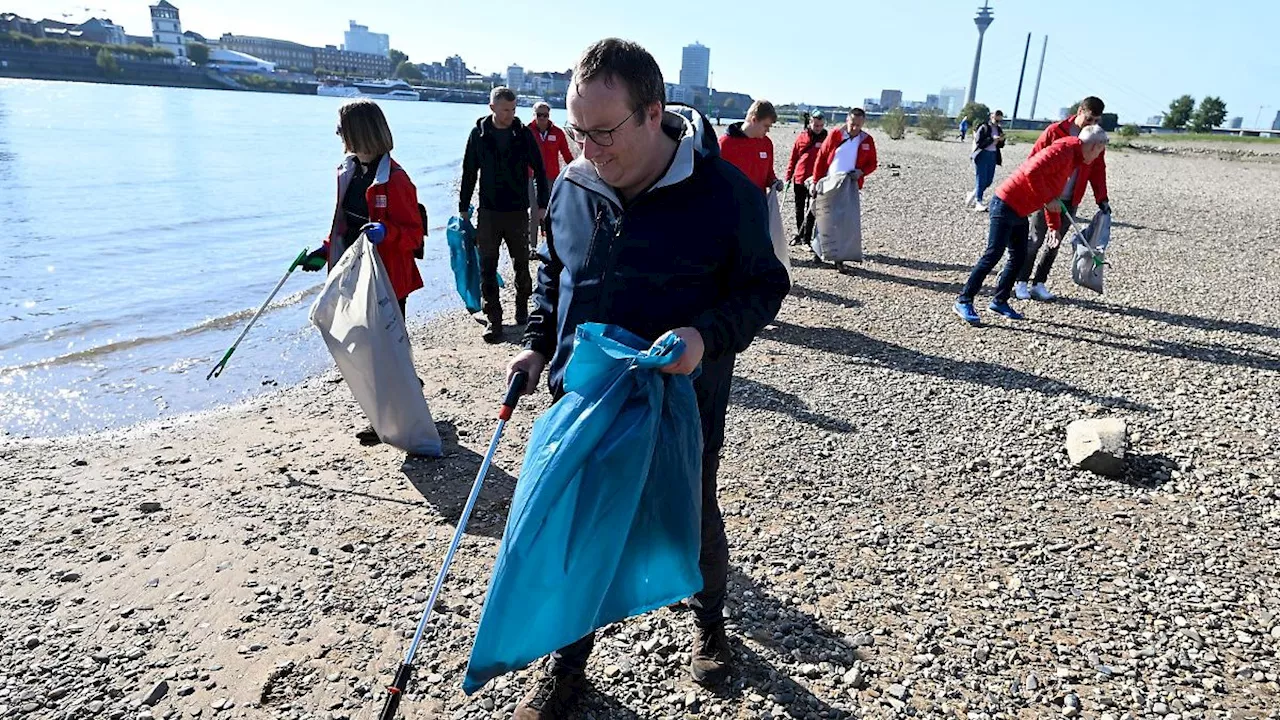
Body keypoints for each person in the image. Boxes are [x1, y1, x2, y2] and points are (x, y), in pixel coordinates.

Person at [505, 37, 790, 719]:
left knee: (691, 517)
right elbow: (554, 271)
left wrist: (704, 337)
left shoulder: (725, 196)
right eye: (578, 130)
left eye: (603, 132)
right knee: (579, 531)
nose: (589, 148)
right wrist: (539, 345)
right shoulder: (574, 185)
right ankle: (567, 663)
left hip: (681, 403)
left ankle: (711, 628)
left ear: (653, 112)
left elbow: (764, 286)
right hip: (585, 400)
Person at [304, 98, 425, 442]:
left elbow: (414, 233)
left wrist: (388, 234)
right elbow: (343, 220)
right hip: (356, 273)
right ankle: (392, 402)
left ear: (359, 131)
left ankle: (391, 414)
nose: (338, 134)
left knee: (386, 346)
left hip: (388, 277)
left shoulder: (397, 179)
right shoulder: (349, 170)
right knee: (366, 345)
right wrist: (326, 249)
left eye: (342, 128)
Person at [953, 125, 1109, 325]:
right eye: (1099, 152)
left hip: (1020, 210)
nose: (1097, 158)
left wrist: (1054, 227)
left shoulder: (1074, 158)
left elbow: (1055, 196)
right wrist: (1047, 199)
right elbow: (1031, 171)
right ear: (1095, 147)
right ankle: (964, 300)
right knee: (993, 254)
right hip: (1005, 203)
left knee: (1018, 257)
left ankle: (999, 301)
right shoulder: (1064, 150)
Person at [459, 87, 550, 343]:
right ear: (492, 108)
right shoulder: (479, 135)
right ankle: (494, 320)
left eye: (513, 109)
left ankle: (522, 309)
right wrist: (463, 207)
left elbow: (540, 170)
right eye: (505, 110)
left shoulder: (522, 134)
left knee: (521, 264)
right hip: (488, 211)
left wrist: (541, 204)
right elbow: (468, 171)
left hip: (517, 211)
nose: (510, 114)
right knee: (487, 266)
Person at [1015, 96, 1111, 301]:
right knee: (1035, 239)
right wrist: (1037, 193)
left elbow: (1097, 169)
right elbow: (1033, 162)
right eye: (1089, 119)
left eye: (1096, 121)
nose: (1091, 124)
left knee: (1054, 242)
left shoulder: (1095, 137)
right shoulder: (1055, 131)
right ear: (1079, 111)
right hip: (1048, 195)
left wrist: (1101, 198)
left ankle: (1039, 283)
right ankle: (1020, 281)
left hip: (1071, 198)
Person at [528, 101, 575, 249]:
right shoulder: (527, 131)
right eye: (539, 115)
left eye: (545, 115)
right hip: (531, 177)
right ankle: (533, 247)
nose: (542, 118)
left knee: (551, 212)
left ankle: (550, 246)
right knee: (534, 212)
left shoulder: (558, 133)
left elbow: (567, 155)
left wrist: (578, 169)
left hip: (552, 177)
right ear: (534, 115)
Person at [785, 109, 828, 246]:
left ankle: (807, 238)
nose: (818, 128)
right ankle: (800, 233)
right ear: (810, 123)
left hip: (816, 180)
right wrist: (788, 176)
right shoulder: (802, 137)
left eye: (821, 126)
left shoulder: (827, 139)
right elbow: (793, 158)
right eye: (816, 125)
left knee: (812, 209)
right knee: (799, 208)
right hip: (799, 177)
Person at [718, 99, 780, 193]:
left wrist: (774, 182)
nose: (768, 130)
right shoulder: (725, 143)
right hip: (732, 203)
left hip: (758, 203)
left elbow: (769, 174)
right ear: (754, 120)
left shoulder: (766, 143)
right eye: (765, 126)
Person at [967, 110, 1005, 212]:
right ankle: (978, 201)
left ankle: (974, 193)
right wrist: (992, 139)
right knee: (981, 178)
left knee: (988, 181)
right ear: (991, 116)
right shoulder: (984, 127)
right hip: (982, 155)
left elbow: (1001, 145)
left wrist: (1001, 140)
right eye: (996, 116)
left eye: (1000, 117)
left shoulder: (999, 129)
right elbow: (979, 142)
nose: (998, 119)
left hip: (993, 155)